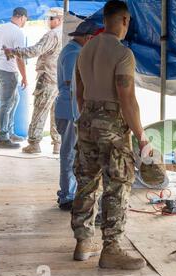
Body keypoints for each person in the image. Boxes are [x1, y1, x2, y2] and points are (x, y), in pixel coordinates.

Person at [72, 0, 150, 270]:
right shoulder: (122, 54)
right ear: (125, 20)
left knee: (86, 182)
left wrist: (91, 120)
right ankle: (111, 249)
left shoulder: (85, 50)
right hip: (112, 126)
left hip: (86, 123)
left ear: (105, 19)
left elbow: (79, 95)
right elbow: (126, 99)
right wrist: (141, 136)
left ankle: (83, 243)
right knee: (117, 185)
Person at [4, 7, 64, 154]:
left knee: (39, 110)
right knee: (56, 113)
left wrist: (13, 51)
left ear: (59, 19)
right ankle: (57, 144)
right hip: (58, 78)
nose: (48, 21)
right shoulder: (64, 33)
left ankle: (34, 143)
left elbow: (35, 51)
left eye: (51, 18)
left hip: (47, 78)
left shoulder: (52, 35)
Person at [55, 20, 100, 211]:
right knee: (69, 153)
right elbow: (72, 83)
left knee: (72, 153)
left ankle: (69, 193)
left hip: (68, 108)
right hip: (69, 109)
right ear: (88, 38)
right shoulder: (74, 53)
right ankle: (67, 195)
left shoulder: (72, 50)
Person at [0, 7, 28, 149]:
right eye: (26, 19)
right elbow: (20, 57)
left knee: (15, 99)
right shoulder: (18, 32)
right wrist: (25, 77)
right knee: (6, 103)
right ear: (22, 17)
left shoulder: (1, 28)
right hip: (7, 71)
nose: (25, 22)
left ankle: (10, 132)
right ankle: (2, 138)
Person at [131, 119, 176, 186]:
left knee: (161, 176)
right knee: (162, 182)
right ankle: (127, 178)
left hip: (137, 146)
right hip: (140, 147)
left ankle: (128, 173)